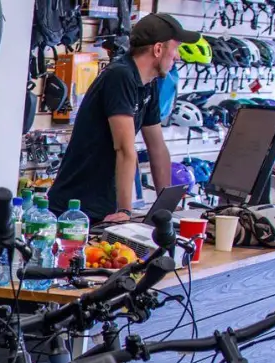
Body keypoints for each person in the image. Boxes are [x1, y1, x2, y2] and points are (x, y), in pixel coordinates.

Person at [48, 12, 199, 224]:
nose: (178, 56)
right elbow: (124, 148)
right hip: (77, 209)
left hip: (104, 206)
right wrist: (126, 211)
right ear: (158, 49)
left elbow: (157, 147)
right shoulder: (120, 76)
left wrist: (165, 210)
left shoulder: (149, 83)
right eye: (175, 48)